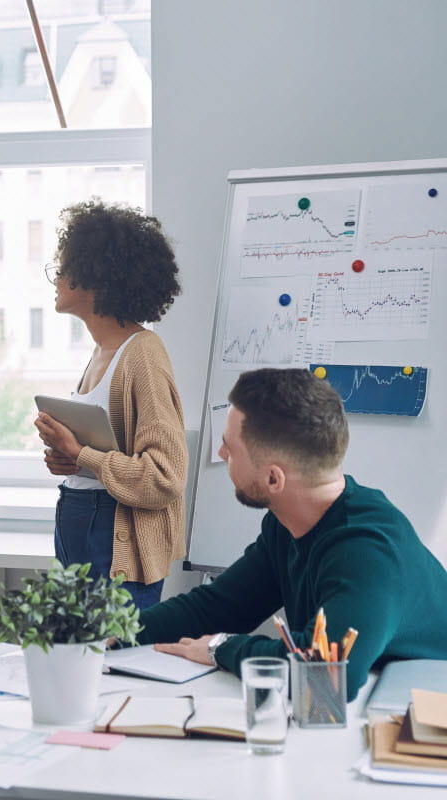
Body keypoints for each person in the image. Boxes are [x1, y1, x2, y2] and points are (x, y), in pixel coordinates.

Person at [140, 368, 447, 701]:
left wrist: (221, 648)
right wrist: (114, 632)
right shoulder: (287, 523)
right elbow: (217, 607)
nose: (222, 454)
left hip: (422, 713)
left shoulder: (366, 552)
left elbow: (327, 675)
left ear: (274, 479)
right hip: (371, 700)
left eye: (229, 447)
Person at [34, 200, 187, 610]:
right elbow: (110, 456)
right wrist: (72, 461)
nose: (56, 278)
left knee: (113, 652)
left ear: (94, 276)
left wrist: (80, 453)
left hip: (111, 536)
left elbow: (165, 477)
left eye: (63, 268)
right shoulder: (101, 352)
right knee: (76, 649)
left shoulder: (143, 355)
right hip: (78, 523)